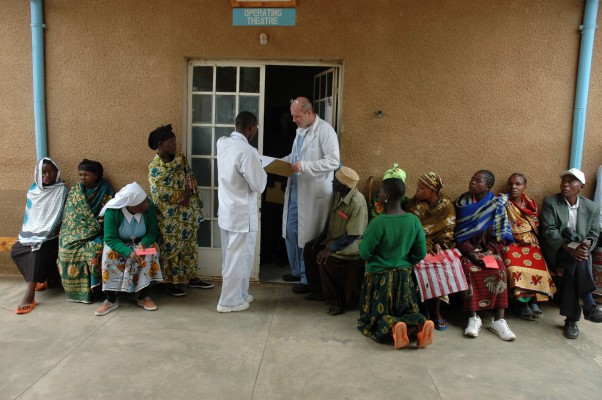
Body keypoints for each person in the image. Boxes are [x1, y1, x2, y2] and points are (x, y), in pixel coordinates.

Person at [357, 176, 434, 349]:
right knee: (408, 310)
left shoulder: (378, 223)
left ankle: (393, 326)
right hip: (404, 278)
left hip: (379, 280)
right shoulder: (413, 221)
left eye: (380, 192)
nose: (378, 195)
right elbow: (421, 253)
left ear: (387, 196)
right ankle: (419, 325)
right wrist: (405, 262)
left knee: (374, 318)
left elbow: (364, 253)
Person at [281, 97, 340, 293]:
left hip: (313, 193)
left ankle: (307, 278)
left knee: (306, 237)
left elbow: (333, 161)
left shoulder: (325, 131)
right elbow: (295, 157)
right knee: (291, 232)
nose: (293, 120)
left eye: (297, 116)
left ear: (308, 113)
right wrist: (279, 163)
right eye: (292, 116)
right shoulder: (300, 131)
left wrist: (305, 167)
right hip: (296, 190)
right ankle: (297, 271)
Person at [148, 124, 213, 297]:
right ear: (160, 145)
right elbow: (159, 193)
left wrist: (187, 193)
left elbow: (189, 176)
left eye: (175, 140)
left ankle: (192, 277)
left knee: (189, 246)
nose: (174, 144)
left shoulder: (180, 158)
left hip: (187, 212)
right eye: (171, 141)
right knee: (171, 248)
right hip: (168, 216)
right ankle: (170, 282)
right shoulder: (154, 167)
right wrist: (180, 197)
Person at [540, 168, 602, 339]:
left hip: (578, 248)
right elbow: (549, 230)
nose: (565, 184)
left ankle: (572, 319)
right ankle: (588, 304)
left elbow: (594, 234)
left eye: (571, 181)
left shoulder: (591, 207)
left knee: (576, 263)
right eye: (564, 181)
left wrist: (587, 244)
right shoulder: (551, 202)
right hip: (557, 248)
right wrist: (568, 247)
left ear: (581, 186)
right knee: (578, 259)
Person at [454, 170, 516, 341]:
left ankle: (499, 320)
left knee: (500, 269)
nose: (472, 182)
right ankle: (473, 318)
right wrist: (471, 253)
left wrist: (489, 251)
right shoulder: (461, 204)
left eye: (478, 181)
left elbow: (500, 235)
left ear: (488, 186)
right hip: (468, 251)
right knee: (469, 269)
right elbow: (458, 235)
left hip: (489, 250)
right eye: (472, 179)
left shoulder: (497, 205)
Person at [216, 111, 267, 313]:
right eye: (255, 128)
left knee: (234, 257)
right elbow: (259, 184)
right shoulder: (248, 152)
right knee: (237, 259)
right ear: (251, 128)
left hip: (227, 211)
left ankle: (241, 294)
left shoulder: (222, 143)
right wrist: (260, 166)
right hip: (241, 214)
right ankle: (229, 301)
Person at [303, 166, 368, 316]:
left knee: (327, 261)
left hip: (351, 245)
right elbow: (330, 221)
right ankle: (318, 290)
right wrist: (319, 239)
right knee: (309, 249)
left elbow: (353, 235)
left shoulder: (357, 202)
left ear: (344, 186)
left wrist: (330, 249)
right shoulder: (338, 194)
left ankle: (337, 301)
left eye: (336, 181)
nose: (333, 182)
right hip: (335, 240)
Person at [94, 182, 163, 316]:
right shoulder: (113, 211)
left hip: (140, 244)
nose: (147, 205)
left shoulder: (149, 207)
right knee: (108, 254)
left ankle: (144, 296)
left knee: (152, 250)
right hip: (119, 244)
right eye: (142, 203)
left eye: (146, 201)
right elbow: (110, 238)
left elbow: (152, 232)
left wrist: (144, 243)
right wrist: (129, 252)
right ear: (131, 205)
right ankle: (110, 299)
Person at [11, 157, 68, 314]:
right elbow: (31, 215)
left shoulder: (61, 190)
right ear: (38, 173)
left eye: (51, 171)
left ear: (57, 172)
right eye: (43, 172)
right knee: (16, 250)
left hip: (52, 235)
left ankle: (30, 294)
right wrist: (34, 232)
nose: (47, 175)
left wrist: (46, 232)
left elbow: (57, 216)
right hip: (32, 232)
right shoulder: (33, 190)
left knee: (37, 252)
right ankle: (40, 279)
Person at [406, 172, 459, 331]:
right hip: (416, 245)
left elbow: (449, 228)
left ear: (433, 191)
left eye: (422, 188)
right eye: (417, 187)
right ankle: (423, 311)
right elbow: (410, 229)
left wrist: (440, 244)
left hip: (437, 247)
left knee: (441, 268)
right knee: (417, 266)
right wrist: (424, 245)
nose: (417, 190)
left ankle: (436, 312)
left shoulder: (446, 205)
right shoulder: (412, 205)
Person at [59, 159, 114, 303]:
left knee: (94, 249)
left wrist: (94, 228)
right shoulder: (75, 191)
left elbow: (108, 214)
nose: (82, 178)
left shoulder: (105, 190)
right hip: (74, 233)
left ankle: (97, 290)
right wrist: (77, 233)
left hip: (98, 231)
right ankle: (77, 293)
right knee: (65, 250)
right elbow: (70, 216)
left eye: (86, 175)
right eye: (80, 175)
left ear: (96, 175)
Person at [502, 173, 556, 320]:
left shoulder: (530, 203)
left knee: (540, 268)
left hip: (529, 241)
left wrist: (527, 238)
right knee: (515, 269)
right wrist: (516, 236)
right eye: (510, 183)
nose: (513, 187)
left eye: (518, 184)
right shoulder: (502, 202)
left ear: (525, 187)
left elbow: (534, 225)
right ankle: (522, 304)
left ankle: (533, 301)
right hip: (509, 241)